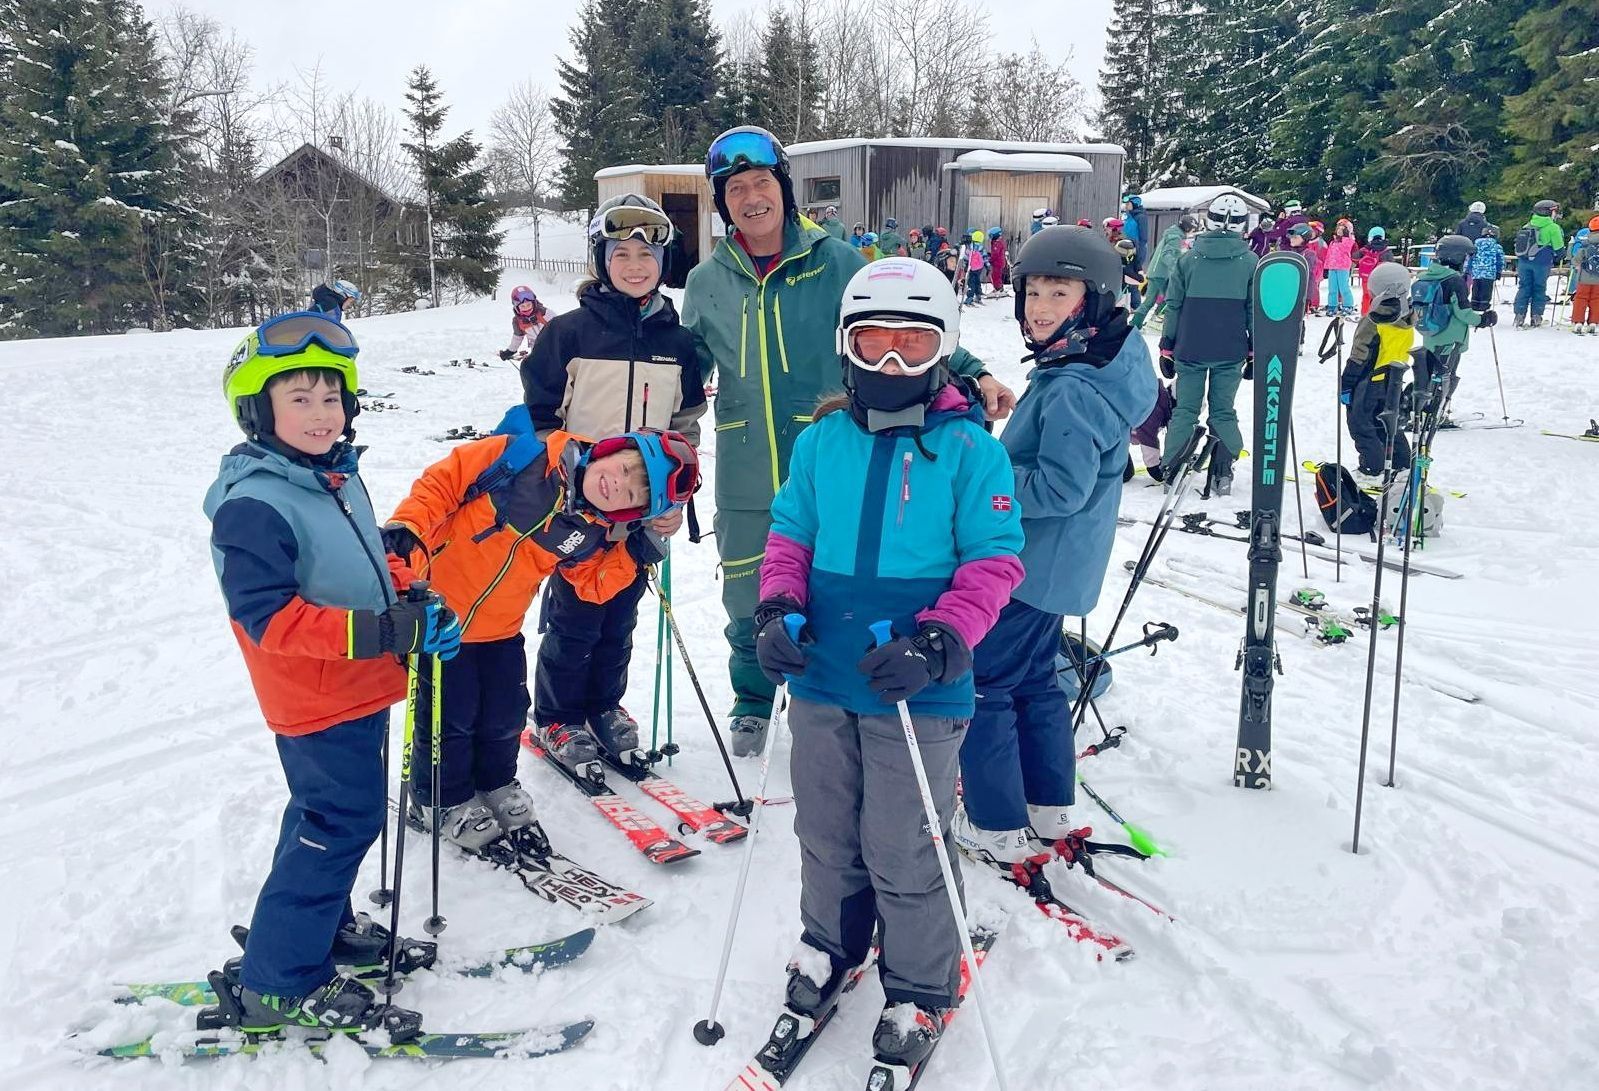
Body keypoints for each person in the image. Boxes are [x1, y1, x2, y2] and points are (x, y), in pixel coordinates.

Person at [752, 257, 1023, 1071]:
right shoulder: (820, 441)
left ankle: (919, 981)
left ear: (943, 350)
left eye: (913, 344)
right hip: (823, 676)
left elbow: (995, 559)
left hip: (918, 687)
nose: (892, 362)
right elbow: (789, 535)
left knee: (903, 841)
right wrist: (775, 608)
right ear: (846, 347)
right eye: (876, 342)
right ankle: (829, 943)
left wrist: (942, 638)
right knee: (825, 830)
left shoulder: (971, 452)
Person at [681, 126, 1016, 757]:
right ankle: (752, 700)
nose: (752, 199)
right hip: (749, 464)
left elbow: (898, 324)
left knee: (836, 578)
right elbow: (687, 371)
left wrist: (973, 370)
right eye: (736, 190)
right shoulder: (707, 282)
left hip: (838, 453)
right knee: (746, 592)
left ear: (781, 188)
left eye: (761, 183)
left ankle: (830, 695)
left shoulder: (833, 260)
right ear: (722, 204)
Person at [203, 311, 460, 1039]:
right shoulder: (254, 503)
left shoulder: (329, 476)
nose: (322, 413)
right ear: (260, 410)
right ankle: (280, 980)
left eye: (332, 396)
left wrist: (411, 590)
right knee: (336, 821)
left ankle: (322, 927)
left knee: (334, 817)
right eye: (300, 398)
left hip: (359, 686)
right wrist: (382, 631)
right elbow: (269, 618)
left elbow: (366, 554)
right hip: (316, 698)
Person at [384, 422, 699, 834]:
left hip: (501, 629)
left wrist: (637, 552)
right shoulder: (522, 457)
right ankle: (440, 800)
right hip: (441, 620)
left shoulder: (591, 528)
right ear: (608, 450)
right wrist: (407, 528)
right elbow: (442, 484)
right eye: (623, 469)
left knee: (505, 716)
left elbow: (593, 585)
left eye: (630, 494)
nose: (614, 485)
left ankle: (496, 784)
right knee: (449, 719)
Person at [952, 227, 1155, 864]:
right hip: (1060, 564)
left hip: (1030, 566)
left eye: (1058, 292)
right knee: (1036, 683)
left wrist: (988, 475)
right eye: (1032, 291)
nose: (1039, 307)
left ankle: (996, 823)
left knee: (986, 684)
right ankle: (1047, 804)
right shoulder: (1101, 363)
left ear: (1091, 301)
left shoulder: (1071, 385)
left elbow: (1061, 488)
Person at [519, 194, 705, 762]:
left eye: (646, 255)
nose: (634, 265)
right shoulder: (568, 333)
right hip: (579, 503)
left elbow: (685, 427)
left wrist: (677, 493)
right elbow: (538, 420)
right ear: (600, 259)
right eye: (620, 253)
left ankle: (603, 703)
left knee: (621, 612)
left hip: (641, 503)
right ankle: (556, 715)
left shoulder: (677, 343)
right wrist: (560, 478)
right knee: (574, 617)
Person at [1159, 193, 1259, 495]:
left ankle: (1172, 468)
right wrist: (1255, 349)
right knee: (1223, 410)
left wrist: (1167, 344)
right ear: (1242, 225)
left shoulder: (1188, 259)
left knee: (1185, 410)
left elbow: (1173, 304)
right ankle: (1222, 472)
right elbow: (1253, 309)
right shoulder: (1252, 262)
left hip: (1191, 346)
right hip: (1230, 349)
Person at [1339, 263, 1417, 481]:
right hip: (1394, 379)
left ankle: (1372, 467)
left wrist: (1346, 383)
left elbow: (1359, 355)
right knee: (1387, 421)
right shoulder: (1407, 316)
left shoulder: (1373, 321)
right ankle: (1402, 463)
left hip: (1370, 380)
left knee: (1361, 423)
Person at [1414, 234, 1495, 421]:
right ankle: (1436, 414)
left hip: (1431, 335)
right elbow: (1463, 313)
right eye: (1466, 256)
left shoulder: (1427, 276)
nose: (1467, 261)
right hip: (1452, 337)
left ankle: (1421, 410)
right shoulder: (1454, 280)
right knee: (1446, 375)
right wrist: (1483, 320)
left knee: (1430, 374)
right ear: (1457, 257)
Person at [1131, 213, 1199, 329]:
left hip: (1156, 271)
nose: (1192, 232)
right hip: (1162, 274)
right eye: (1192, 230)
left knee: (1149, 301)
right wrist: (1177, 269)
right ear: (1187, 227)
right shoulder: (1175, 238)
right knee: (1171, 298)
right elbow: (1166, 255)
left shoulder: (1171, 234)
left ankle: (1134, 324)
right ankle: (1156, 322)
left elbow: (1157, 253)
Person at [1514, 199, 1566, 327]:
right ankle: (1536, 317)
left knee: (1524, 287)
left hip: (1524, 261)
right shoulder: (1553, 227)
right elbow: (1559, 248)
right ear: (1549, 212)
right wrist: (1560, 256)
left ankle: (1519, 316)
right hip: (1541, 262)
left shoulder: (1527, 225)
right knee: (1539, 288)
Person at [498, 285, 549, 361]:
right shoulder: (518, 322)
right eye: (522, 306)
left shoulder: (544, 313)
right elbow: (517, 338)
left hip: (553, 346)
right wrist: (510, 351)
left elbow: (559, 327)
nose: (526, 308)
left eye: (528, 305)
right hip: (537, 350)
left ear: (534, 303)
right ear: (517, 307)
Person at [1467, 225, 1506, 313]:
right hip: (1489, 274)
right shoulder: (1497, 247)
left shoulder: (1476, 245)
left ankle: (1474, 306)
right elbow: (1500, 261)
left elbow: (1471, 258)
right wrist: (1498, 271)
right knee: (1486, 291)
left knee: (1476, 289)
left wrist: (1468, 270)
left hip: (1476, 273)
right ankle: (1484, 307)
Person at [1355, 228, 1393, 315]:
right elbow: (1391, 264)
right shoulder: (1386, 250)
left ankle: (1365, 315)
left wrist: (1365, 248)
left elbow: (1354, 256)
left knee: (1366, 296)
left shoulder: (1366, 249)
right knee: (1379, 296)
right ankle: (1377, 314)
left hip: (1367, 277)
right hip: (1381, 278)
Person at [1324, 219, 1357, 316]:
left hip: (1343, 267)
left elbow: (1348, 248)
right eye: (1338, 228)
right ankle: (1332, 305)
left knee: (1344, 287)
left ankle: (1348, 305)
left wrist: (1345, 237)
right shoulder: (1333, 242)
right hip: (1332, 267)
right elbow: (1329, 254)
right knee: (1332, 288)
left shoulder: (1348, 241)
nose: (1339, 230)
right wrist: (1327, 266)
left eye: (1342, 228)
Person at [1572, 217, 1599, 335]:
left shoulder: (1585, 243)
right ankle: (1593, 322)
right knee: (1597, 299)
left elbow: (1576, 260)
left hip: (1584, 278)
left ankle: (1578, 322)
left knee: (1580, 299)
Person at [1303, 221, 1328, 314]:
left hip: (1317, 268)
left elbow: (1324, 257)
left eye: (1313, 231)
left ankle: (1314, 305)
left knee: (1314, 287)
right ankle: (1306, 304)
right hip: (1307, 266)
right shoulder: (1305, 242)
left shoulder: (1321, 243)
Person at [1114, 236, 1144, 309]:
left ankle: (1136, 307)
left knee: (1134, 293)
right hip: (1122, 284)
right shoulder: (1117, 258)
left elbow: (1139, 269)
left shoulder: (1134, 258)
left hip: (1131, 282)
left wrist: (1139, 275)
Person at [962, 229, 987, 305]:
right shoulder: (981, 247)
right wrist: (988, 266)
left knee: (971, 282)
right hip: (979, 268)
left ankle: (969, 297)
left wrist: (965, 263)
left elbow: (966, 256)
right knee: (977, 281)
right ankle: (978, 296)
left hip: (971, 268)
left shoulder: (970, 246)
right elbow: (985, 257)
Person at [1121, 193, 1148, 263]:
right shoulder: (1128, 217)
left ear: (1135, 204)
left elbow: (1143, 237)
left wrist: (1138, 252)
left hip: (1136, 250)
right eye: (1125, 204)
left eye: (1128, 204)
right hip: (1127, 248)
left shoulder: (1141, 217)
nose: (1126, 206)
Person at [989, 228, 1008, 294]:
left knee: (996, 276)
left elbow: (995, 254)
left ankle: (999, 288)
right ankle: (998, 288)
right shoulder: (998, 242)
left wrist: (990, 259)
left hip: (997, 263)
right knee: (996, 275)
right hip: (998, 262)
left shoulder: (997, 243)